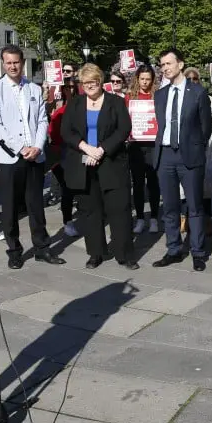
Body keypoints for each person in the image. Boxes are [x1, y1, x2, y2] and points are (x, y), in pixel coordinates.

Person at [0, 45, 64, 269]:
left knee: (36, 205)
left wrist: (38, 146)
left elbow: (42, 120)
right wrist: (20, 147)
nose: (12, 66)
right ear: (3, 63)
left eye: (16, 62)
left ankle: (42, 248)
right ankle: (14, 250)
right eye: (8, 62)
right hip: (7, 157)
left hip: (34, 156)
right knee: (9, 208)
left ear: (22, 63)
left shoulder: (33, 88)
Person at [61, 64, 137, 270]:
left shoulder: (115, 102)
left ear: (100, 81)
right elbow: (66, 131)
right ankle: (96, 252)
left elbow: (123, 129)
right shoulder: (75, 103)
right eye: (85, 83)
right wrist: (86, 148)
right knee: (89, 211)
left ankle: (124, 254)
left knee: (119, 210)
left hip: (111, 162)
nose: (89, 87)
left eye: (93, 82)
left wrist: (101, 150)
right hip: (84, 164)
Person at [152, 49, 212, 271]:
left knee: (195, 206)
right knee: (169, 206)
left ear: (180, 64)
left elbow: (206, 127)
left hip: (189, 155)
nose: (165, 68)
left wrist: (196, 147)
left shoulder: (197, 92)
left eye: (168, 63)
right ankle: (174, 249)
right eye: (162, 65)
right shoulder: (160, 94)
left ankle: (197, 252)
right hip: (165, 154)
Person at [127, 64, 161, 234]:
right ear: (137, 79)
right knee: (138, 184)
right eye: (142, 79)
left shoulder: (158, 96)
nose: (145, 83)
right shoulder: (130, 97)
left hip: (153, 145)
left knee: (154, 183)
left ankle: (154, 217)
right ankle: (140, 218)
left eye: (148, 79)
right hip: (136, 146)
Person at [46, 84, 77, 236]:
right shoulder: (59, 113)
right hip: (61, 157)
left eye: (72, 87)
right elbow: (53, 135)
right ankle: (68, 222)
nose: (70, 90)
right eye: (67, 88)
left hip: (79, 155)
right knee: (67, 189)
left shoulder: (82, 110)